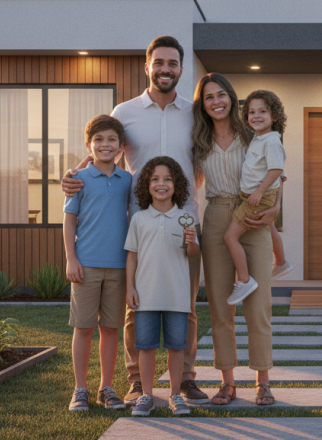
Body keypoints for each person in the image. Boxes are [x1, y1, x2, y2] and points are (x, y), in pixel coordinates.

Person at [62, 35, 209, 407]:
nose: (165, 69)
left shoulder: (195, 114)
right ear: (147, 67)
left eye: (172, 63)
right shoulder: (125, 111)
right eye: (159, 62)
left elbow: (206, 160)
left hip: (184, 220)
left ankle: (186, 379)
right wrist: (74, 175)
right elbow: (103, 149)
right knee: (135, 303)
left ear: (180, 69)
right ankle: (132, 380)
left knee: (186, 302)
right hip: (138, 223)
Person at [191, 73, 277, 406]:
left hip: (252, 218)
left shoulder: (252, 134)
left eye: (221, 95)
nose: (216, 102)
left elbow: (276, 173)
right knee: (221, 307)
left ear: (232, 98)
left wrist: (275, 209)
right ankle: (227, 382)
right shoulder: (197, 140)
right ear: (203, 104)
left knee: (258, 306)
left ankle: (263, 381)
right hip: (215, 218)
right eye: (209, 97)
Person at [62, 115, 130, 412]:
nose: (105, 144)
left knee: (111, 329)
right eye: (99, 139)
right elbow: (69, 220)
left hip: (118, 267)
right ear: (88, 145)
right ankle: (80, 389)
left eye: (111, 139)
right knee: (84, 327)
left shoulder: (127, 180)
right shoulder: (78, 179)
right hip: (85, 265)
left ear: (121, 146)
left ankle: (106, 387)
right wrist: (71, 259)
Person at [125, 156, 200, 416]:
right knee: (145, 346)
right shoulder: (139, 219)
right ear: (146, 184)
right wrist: (130, 288)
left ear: (176, 185)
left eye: (167, 179)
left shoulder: (186, 218)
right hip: (145, 294)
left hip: (176, 295)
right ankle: (146, 395)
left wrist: (192, 242)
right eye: (155, 179)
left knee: (176, 346)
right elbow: (131, 256)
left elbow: (191, 254)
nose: (161, 184)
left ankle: (175, 395)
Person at [222, 90, 288, 305]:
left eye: (263, 111)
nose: (256, 115)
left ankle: (244, 280)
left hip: (256, 198)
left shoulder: (270, 142)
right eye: (251, 112)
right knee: (270, 227)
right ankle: (282, 262)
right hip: (256, 196)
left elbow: (277, 170)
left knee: (230, 237)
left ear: (274, 116)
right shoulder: (259, 139)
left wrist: (259, 192)